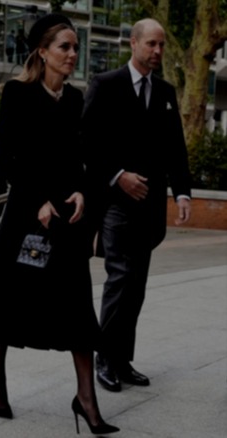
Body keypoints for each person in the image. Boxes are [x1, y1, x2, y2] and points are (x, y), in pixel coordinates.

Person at [0, 14, 119, 435]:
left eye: (76, 47)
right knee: (7, 308)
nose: (72, 54)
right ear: (42, 51)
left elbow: (83, 159)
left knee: (78, 310)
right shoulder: (17, 93)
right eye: (64, 46)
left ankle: (85, 399)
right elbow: (7, 159)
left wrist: (81, 191)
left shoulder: (77, 99)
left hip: (66, 222)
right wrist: (37, 199)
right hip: (26, 218)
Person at [81, 18, 192, 393]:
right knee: (121, 277)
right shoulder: (105, 85)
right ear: (134, 43)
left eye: (162, 45)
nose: (158, 51)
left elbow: (175, 146)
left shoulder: (165, 91)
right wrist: (117, 175)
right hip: (115, 202)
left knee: (137, 286)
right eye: (152, 45)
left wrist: (183, 192)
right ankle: (105, 359)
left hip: (150, 208)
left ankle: (122, 360)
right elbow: (86, 141)